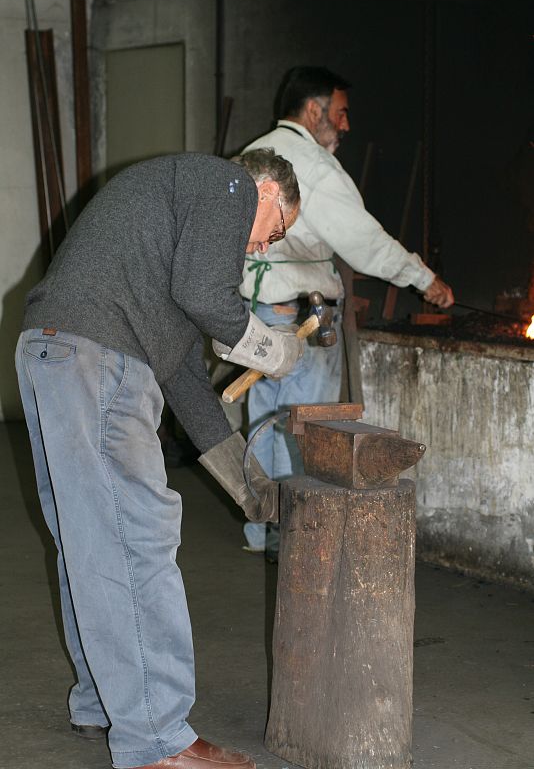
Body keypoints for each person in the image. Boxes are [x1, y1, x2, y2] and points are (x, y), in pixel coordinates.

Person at [15, 149, 301, 769]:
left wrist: (249, 489)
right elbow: (208, 296)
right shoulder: (225, 183)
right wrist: (272, 349)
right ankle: (157, 740)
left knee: (87, 541)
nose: (260, 250)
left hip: (52, 352)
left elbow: (188, 387)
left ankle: (103, 701)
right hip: (99, 358)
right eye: (274, 232)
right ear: (266, 190)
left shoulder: (158, 258)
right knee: (136, 544)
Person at [239, 66, 454, 555]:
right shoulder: (311, 167)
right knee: (303, 429)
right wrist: (425, 279)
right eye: (341, 113)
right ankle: (293, 536)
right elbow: (364, 242)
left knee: (263, 425)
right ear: (314, 111)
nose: (346, 125)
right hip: (302, 322)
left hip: (257, 314)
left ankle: (259, 528)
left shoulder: (253, 155)